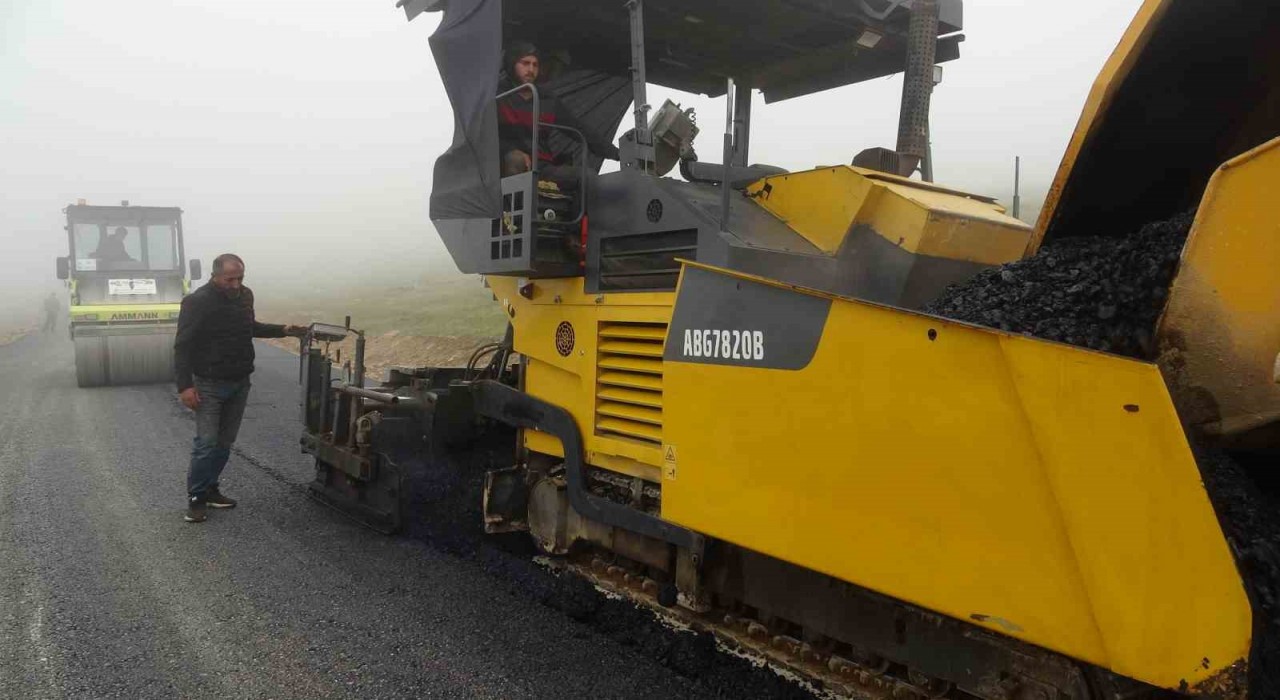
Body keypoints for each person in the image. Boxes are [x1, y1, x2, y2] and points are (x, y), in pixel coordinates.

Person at [173, 253, 305, 523]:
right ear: (215, 275)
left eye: (240, 278)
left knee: (224, 443)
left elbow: (251, 327)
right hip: (208, 384)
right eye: (229, 279)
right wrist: (185, 386)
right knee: (206, 443)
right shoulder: (197, 302)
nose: (235, 284)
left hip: (239, 382)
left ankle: (211, 489)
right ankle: (196, 498)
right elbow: (182, 346)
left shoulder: (245, 296)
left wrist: (285, 329)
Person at [498, 41, 620, 179]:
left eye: (535, 65)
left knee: (586, 177)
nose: (531, 70)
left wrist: (616, 154)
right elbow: (484, 136)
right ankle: (507, 201)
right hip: (501, 164)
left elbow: (579, 129)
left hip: (542, 165)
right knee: (516, 160)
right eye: (525, 63)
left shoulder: (547, 100)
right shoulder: (497, 95)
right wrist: (510, 150)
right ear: (512, 64)